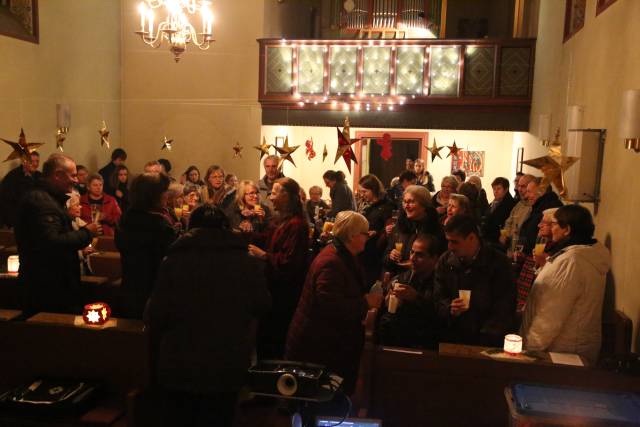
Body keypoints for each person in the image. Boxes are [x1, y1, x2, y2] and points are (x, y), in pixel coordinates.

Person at [145, 204, 271, 427]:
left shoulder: (174, 261)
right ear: (226, 229)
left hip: (180, 360)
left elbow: (155, 314)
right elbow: (262, 305)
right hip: (227, 360)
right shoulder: (245, 262)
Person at [286, 211, 383, 395]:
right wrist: (365, 302)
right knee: (321, 401)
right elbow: (330, 307)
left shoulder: (343, 254)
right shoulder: (332, 262)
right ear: (353, 235)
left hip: (326, 343)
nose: (368, 238)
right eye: (366, 233)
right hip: (318, 347)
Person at [521, 205, 610, 365]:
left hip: (562, 351)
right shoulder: (580, 255)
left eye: (554, 224)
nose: (551, 228)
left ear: (567, 229)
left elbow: (551, 314)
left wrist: (530, 350)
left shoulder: (571, 262)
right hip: (568, 347)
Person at [15, 153, 100, 315]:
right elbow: (52, 242)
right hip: (48, 286)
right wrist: (86, 232)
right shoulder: (42, 202)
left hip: (51, 282)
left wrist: (65, 218)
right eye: (73, 175)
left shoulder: (46, 198)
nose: (76, 180)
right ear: (58, 176)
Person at [248, 177, 309, 359]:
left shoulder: (297, 225)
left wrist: (264, 255)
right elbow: (265, 237)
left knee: (276, 336)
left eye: (274, 193)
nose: (270, 197)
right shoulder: (279, 221)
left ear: (287, 196)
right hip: (272, 288)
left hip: (284, 293)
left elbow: (290, 262)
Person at [433, 215, 516, 346]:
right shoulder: (446, 261)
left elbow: (504, 307)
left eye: (454, 242)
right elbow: (438, 297)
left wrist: (485, 339)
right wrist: (449, 308)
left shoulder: (498, 263)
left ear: (472, 238)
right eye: (448, 241)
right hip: (452, 337)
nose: (450, 247)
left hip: (486, 341)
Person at [116, 172, 177, 319]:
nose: (167, 195)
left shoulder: (126, 218)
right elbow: (169, 261)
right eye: (164, 191)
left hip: (130, 287)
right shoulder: (158, 224)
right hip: (155, 291)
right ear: (153, 195)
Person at [378, 234, 441, 349]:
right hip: (397, 340)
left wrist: (416, 298)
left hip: (425, 342)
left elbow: (440, 316)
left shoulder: (441, 282)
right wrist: (388, 302)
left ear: (434, 258)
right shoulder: (402, 278)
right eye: (412, 252)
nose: (412, 258)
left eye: (420, 255)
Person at [384, 185, 444, 275]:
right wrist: (390, 256)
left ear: (424, 205)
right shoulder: (400, 226)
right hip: (399, 277)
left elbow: (439, 261)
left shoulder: (435, 229)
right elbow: (385, 257)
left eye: (411, 202)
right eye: (404, 202)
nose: (406, 206)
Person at [514, 208, 558, 314]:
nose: (539, 225)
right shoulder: (544, 242)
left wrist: (542, 263)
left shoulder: (557, 249)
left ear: (554, 225)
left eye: (543, 222)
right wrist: (523, 258)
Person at [358, 174, 395, 288]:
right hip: (363, 246)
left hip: (376, 250)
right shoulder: (365, 204)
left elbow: (389, 228)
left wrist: (377, 233)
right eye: (361, 191)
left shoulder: (387, 205)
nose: (362, 195)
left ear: (373, 189)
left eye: (365, 191)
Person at [519, 178, 563, 254]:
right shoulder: (538, 206)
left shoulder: (551, 209)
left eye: (529, 192)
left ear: (541, 191)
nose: (527, 196)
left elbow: (541, 237)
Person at [0, 151, 41, 227]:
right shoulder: (12, 177)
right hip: (16, 220)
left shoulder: (40, 176)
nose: (35, 164)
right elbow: (6, 201)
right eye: (32, 161)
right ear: (23, 161)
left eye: (37, 161)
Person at [500, 174, 535, 248]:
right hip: (511, 247)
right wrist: (505, 235)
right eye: (519, 186)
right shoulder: (519, 204)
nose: (519, 189)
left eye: (523, 186)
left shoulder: (534, 207)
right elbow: (508, 222)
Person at [482, 177, 516, 244]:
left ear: (506, 189)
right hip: (490, 239)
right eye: (494, 189)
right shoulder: (495, 202)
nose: (495, 191)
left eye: (498, 188)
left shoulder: (510, 204)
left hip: (498, 241)